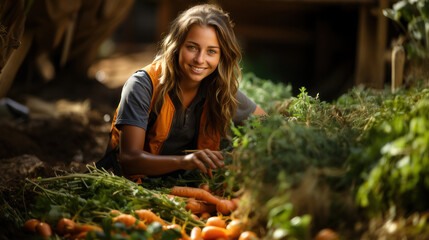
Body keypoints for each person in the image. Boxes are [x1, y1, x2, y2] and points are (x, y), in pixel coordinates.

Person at [96, 4, 266, 179]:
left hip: (182, 186)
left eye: (211, 51)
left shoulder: (219, 90)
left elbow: (269, 124)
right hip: (128, 187)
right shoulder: (142, 85)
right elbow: (129, 159)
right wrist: (185, 161)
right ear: (177, 47)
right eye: (192, 47)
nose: (200, 59)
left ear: (221, 57)